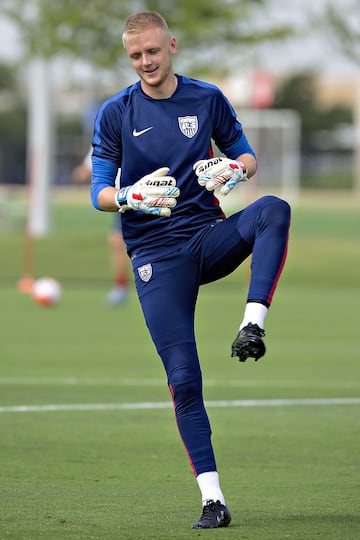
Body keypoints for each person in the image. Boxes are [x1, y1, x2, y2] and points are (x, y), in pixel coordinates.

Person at [90, 11, 291, 529]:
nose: (145, 63)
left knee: (273, 209)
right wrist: (130, 197)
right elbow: (99, 193)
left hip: (206, 239)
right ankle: (213, 500)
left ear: (171, 45)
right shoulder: (116, 112)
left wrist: (232, 169)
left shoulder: (206, 99)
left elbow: (248, 158)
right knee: (184, 378)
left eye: (152, 52)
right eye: (135, 56)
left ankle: (253, 323)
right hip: (155, 257)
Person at [72, 148, 129, 305]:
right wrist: (81, 172)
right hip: (120, 198)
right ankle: (121, 287)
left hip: (140, 194)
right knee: (117, 241)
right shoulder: (108, 133)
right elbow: (90, 165)